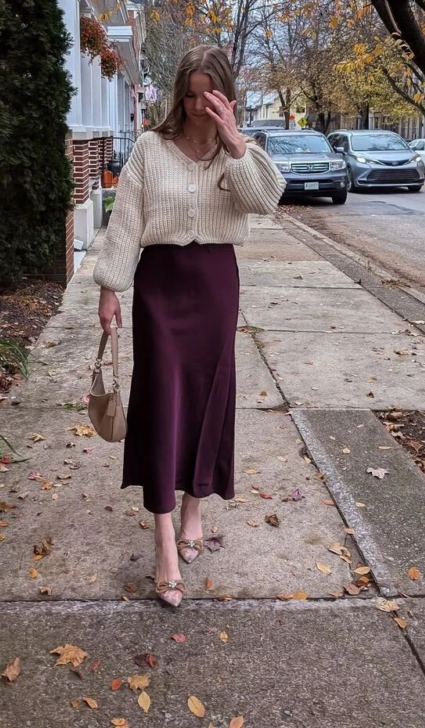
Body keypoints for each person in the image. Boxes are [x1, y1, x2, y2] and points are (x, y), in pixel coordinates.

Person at [94, 46, 284, 607]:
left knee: (207, 398)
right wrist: (110, 286)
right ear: (179, 93)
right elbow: (125, 219)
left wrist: (236, 145)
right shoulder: (151, 150)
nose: (199, 104)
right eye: (191, 92)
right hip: (161, 284)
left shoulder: (239, 152)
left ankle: (195, 508)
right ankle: (164, 540)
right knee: (160, 401)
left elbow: (267, 201)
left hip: (215, 283)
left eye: (211, 93)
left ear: (225, 94)